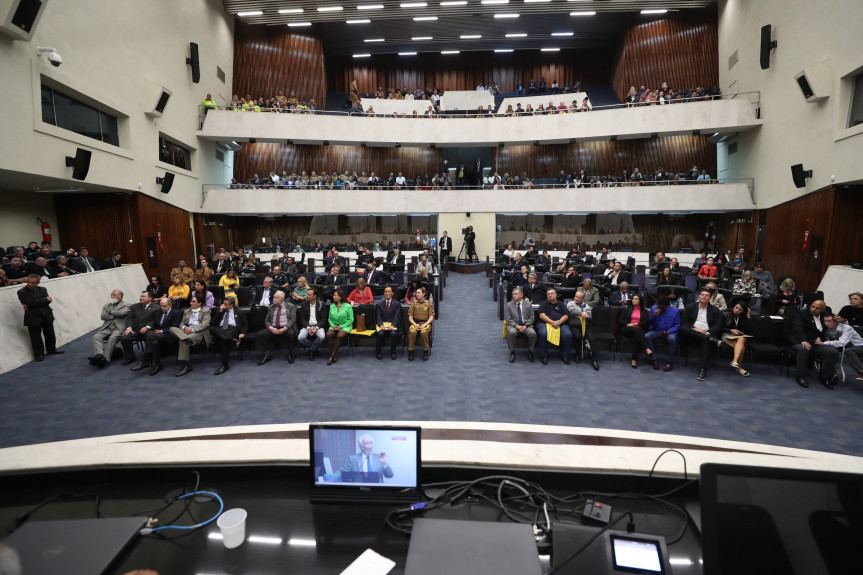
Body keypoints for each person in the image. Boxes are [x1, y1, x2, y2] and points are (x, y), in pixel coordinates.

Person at [789, 300, 840, 389]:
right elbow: (798, 328)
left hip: (818, 343)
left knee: (833, 352)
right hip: (801, 340)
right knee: (803, 349)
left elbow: (837, 323)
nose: (813, 309)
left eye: (817, 308)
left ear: (823, 309)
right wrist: (803, 341)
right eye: (812, 306)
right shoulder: (802, 313)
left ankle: (826, 377)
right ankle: (800, 376)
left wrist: (842, 320)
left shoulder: (826, 315)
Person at [680, 289, 724, 381]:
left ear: (710, 298)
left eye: (707, 295)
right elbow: (685, 323)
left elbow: (718, 326)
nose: (704, 296)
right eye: (702, 294)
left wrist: (707, 333)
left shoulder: (715, 310)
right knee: (682, 328)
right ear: (699, 297)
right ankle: (710, 339)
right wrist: (695, 329)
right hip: (692, 334)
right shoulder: (689, 307)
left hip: (707, 333)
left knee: (705, 341)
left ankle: (703, 369)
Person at [17, 274, 63, 361]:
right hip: (33, 317)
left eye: (33, 283)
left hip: (46, 314)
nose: (30, 284)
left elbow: (44, 303)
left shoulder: (43, 289)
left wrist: (42, 301)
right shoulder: (21, 292)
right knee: (35, 337)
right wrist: (46, 299)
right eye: (28, 282)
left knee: (50, 334)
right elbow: (30, 302)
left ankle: (51, 350)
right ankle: (39, 354)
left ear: (37, 283)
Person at [169, 295, 213, 377]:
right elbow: (181, 323)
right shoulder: (187, 311)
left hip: (198, 332)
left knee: (183, 341)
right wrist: (185, 327)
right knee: (172, 328)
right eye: (191, 301)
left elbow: (205, 325)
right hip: (185, 331)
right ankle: (188, 339)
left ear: (200, 303)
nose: (190, 303)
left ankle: (186, 366)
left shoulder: (205, 311)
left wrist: (192, 330)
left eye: (193, 301)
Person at [137, 298, 182, 374]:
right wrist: (149, 328)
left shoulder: (176, 313)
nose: (162, 308)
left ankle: (145, 360)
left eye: (164, 306)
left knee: (150, 337)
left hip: (170, 335)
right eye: (161, 306)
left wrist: (161, 331)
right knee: (154, 342)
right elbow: (154, 323)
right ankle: (158, 365)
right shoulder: (158, 313)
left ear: (170, 305)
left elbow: (175, 326)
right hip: (157, 335)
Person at [89, 289, 131, 368]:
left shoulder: (127, 304)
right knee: (96, 337)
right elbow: (103, 316)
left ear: (120, 296)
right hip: (108, 327)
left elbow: (122, 313)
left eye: (114, 295)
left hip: (119, 328)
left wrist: (110, 312)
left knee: (112, 338)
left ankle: (105, 359)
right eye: (111, 295)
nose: (112, 296)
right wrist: (115, 314)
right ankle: (99, 356)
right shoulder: (107, 305)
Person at [257, 290, 297, 365]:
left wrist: (285, 328)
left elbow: (293, 320)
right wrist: (271, 328)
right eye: (273, 297)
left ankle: (290, 354)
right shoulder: (271, 307)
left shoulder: (290, 306)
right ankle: (267, 354)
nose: (273, 299)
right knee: (260, 334)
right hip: (274, 328)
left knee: (291, 334)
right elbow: (267, 320)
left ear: (282, 299)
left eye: (276, 297)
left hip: (286, 328)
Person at [210, 296, 247, 375]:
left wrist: (243, 333)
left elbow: (245, 324)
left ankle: (224, 364)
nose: (224, 305)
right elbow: (212, 323)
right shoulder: (221, 311)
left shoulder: (239, 312)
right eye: (223, 303)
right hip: (221, 329)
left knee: (224, 340)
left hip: (233, 328)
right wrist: (219, 311)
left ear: (232, 305)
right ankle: (233, 340)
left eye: (226, 304)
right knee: (211, 328)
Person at [119, 291, 157, 366]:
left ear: (150, 298)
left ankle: (148, 357)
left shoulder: (156, 307)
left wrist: (147, 327)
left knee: (150, 338)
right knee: (124, 338)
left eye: (143, 296)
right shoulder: (134, 306)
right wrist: (129, 328)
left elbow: (155, 320)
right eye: (141, 296)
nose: (141, 298)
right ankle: (130, 357)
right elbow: (129, 318)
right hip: (136, 330)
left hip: (149, 329)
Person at [644, 295, 681, 372]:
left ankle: (670, 362)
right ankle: (653, 359)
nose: (660, 307)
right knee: (647, 336)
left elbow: (677, 325)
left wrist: (668, 332)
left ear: (666, 305)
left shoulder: (675, 311)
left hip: (669, 332)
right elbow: (649, 323)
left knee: (672, 339)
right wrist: (653, 316)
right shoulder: (654, 308)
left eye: (662, 306)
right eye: (658, 305)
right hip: (657, 331)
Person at [537, 288, 572, 365]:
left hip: (560, 323)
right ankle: (544, 355)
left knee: (567, 334)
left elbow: (566, 316)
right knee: (543, 334)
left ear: (556, 295)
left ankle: (564, 355)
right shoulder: (543, 304)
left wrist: (558, 322)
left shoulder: (561, 304)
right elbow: (542, 315)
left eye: (552, 293)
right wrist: (552, 322)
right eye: (548, 294)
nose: (550, 295)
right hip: (545, 323)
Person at [823, 314, 863, 381]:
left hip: (860, 346)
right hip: (846, 347)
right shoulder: (828, 331)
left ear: (836, 321)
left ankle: (862, 372)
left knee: (849, 351)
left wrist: (824, 343)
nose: (826, 323)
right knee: (831, 351)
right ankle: (831, 373)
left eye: (829, 321)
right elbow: (828, 341)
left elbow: (842, 343)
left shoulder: (846, 328)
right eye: (825, 321)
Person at [567, 290, 600, 370]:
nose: (577, 298)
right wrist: (582, 313)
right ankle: (577, 354)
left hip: (585, 326)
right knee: (577, 336)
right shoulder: (570, 303)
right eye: (576, 296)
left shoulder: (586, 305)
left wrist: (587, 315)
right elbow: (572, 311)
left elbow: (590, 316)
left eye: (579, 297)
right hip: (574, 325)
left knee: (592, 339)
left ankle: (594, 360)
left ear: (582, 299)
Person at [620, 294, 653, 369]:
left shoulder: (644, 311)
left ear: (640, 301)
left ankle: (634, 360)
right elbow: (621, 320)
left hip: (638, 330)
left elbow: (645, 322)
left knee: (636, 338)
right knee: (636, 330)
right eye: (633, 299)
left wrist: (636, 323)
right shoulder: (627, 309)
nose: (633, 300)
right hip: (627, 329)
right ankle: (646, 348)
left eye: (636, 299)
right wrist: (628, 324)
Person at [505, 287, 536, 363]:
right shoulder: (509, 305)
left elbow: (532, 318)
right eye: (513, 294)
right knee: (512, 332)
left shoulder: (528, 304)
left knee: (533, 333)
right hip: (515, 326)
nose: (514, 296)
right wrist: (517, 326)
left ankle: (531, 351)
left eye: (516, 294)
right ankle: (512, 352)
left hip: (526, 325)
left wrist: (525, 326)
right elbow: (508, 319)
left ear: (521, 295)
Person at [721, 302, 751, 376]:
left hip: (739, 337)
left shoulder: (743, 317)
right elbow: (719, 328)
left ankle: (734, 361)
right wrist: (730, 330)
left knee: (742, 339)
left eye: (740, 310)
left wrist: (748, 317)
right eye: (736, 307)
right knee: (742, 348)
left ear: (743, 311)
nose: (737, 310)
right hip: (727, 335)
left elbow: (749, 330)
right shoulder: (725, 313)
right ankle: (738, 367)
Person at [298, 287, 328, 360]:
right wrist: (308, 328)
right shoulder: (304, 304)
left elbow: (323, 319)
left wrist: (316, 327)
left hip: (318, 326)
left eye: (309, 294)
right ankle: (314, 349)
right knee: (300, 338)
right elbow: (303, 319)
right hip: (307, 326)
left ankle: (311, 350)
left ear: (315, 296)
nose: (307, 296)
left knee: (322, 337)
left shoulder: (322, 304)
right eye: (307, 294)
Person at [326, 288, 354, 365]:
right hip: (334, 326)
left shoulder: (348, 306)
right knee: (328, 335)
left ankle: (332, 355)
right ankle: (334, 354)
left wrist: (341, 326)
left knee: (340, 335)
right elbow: (330, 319)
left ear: (340, 297)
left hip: (345, 326)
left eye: (335, 295)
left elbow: (351, 320)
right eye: (333, 295)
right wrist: (333, 325)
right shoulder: (332, 306)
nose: (333, 297)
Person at [407, 287, 434, 361]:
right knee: (412, 332)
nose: (417, 294)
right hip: (415, 323)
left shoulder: (428, 304)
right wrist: (415, 324)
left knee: (423, 332)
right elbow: (410, 317)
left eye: (419, 293)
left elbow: (431, 317)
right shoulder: (413, 304)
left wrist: (425, 325)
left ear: (423, 294)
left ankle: (426, 350)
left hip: (425, 323)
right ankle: (410, 350)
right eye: (416, 293)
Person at [375, 285, 402, 360]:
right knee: (380, 334)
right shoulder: (380, 304)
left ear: (392, 293)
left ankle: (393, 352)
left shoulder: (397, 304)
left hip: (393, 326)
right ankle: (378, 352)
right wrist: (381, 325)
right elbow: (378, 316)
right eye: (386, 292)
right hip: (383, 326)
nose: (387, 293)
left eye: (389, 292)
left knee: (393, 334)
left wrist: (393, 325)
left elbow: (397, 316)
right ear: (384, 293)